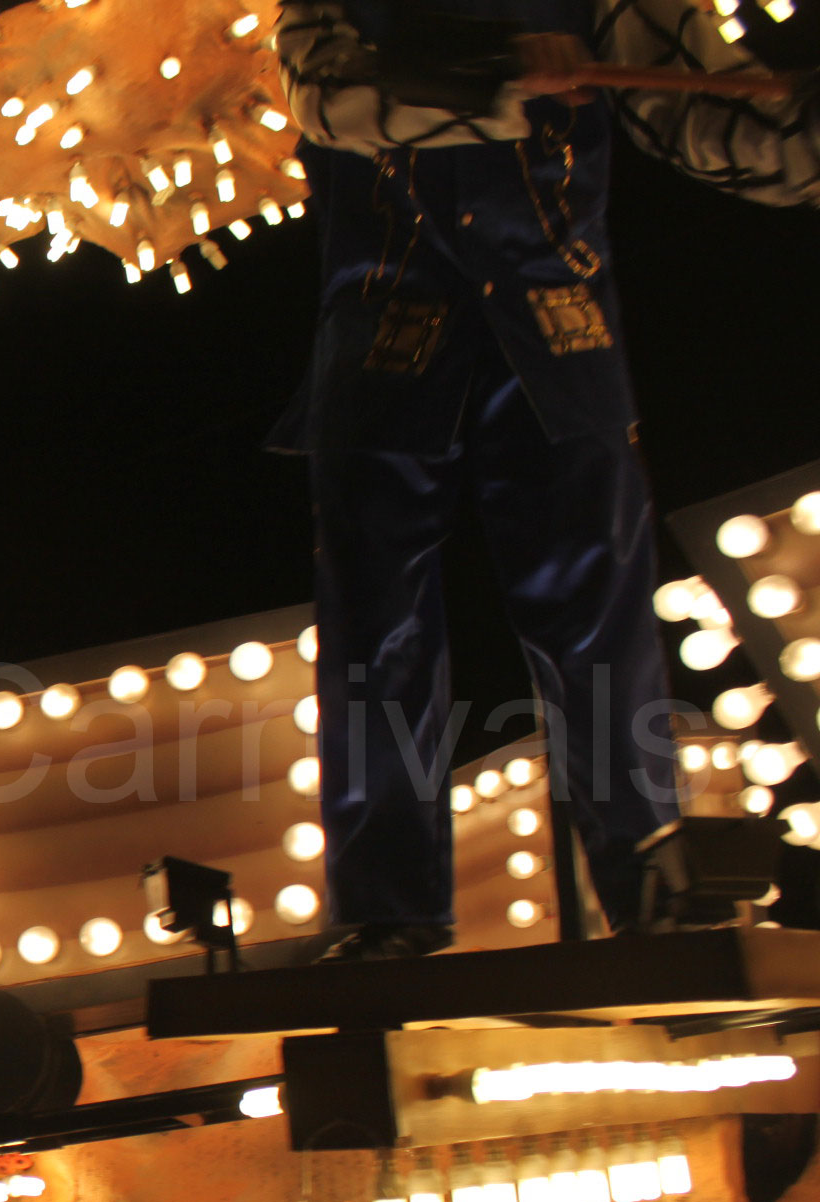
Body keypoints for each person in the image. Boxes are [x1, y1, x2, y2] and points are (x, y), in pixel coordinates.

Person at [272, 0, 817, 961]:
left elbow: (705, 111)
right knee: (374, 616)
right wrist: (499, 71)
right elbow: (326, 98)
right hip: (387, 328)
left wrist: (803, 135)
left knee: (599, 607)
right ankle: (388, 907)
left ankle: (647, 875)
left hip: (558, 323)